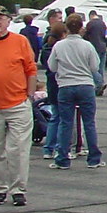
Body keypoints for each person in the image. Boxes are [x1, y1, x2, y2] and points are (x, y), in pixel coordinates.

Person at [0, 5, 37, 207]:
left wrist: (30, 96)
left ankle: (18, 189)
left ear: (9, 21)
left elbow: (30, 69)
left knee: (17, 149)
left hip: (17, 103)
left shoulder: (20, 41)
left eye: (0, 18)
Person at [48, 13, 105, 170]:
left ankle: (63, 158)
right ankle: (94, 158)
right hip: (85, 85)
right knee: (89, 122)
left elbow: (52, 67)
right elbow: (94, 67)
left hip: (66, 85)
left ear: (66, 27)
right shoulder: (87, 46)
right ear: (81, 28)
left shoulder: (59, 46)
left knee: (66, 123)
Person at [39, 23, 67, 160]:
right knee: (64, 119)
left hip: (51, 85)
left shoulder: (46, 48)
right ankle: (59, 147)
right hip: (60, 84)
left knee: (54, 117)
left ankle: (48, 148)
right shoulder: (60, 49)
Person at [84, 9, 107, 95]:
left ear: (90, 16)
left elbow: (86, 36)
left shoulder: (90, 24)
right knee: (101, 68)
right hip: (103, 47)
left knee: (93, 68)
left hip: (94, 47)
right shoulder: (103, 23)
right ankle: (100, 85)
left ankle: (99, 83)